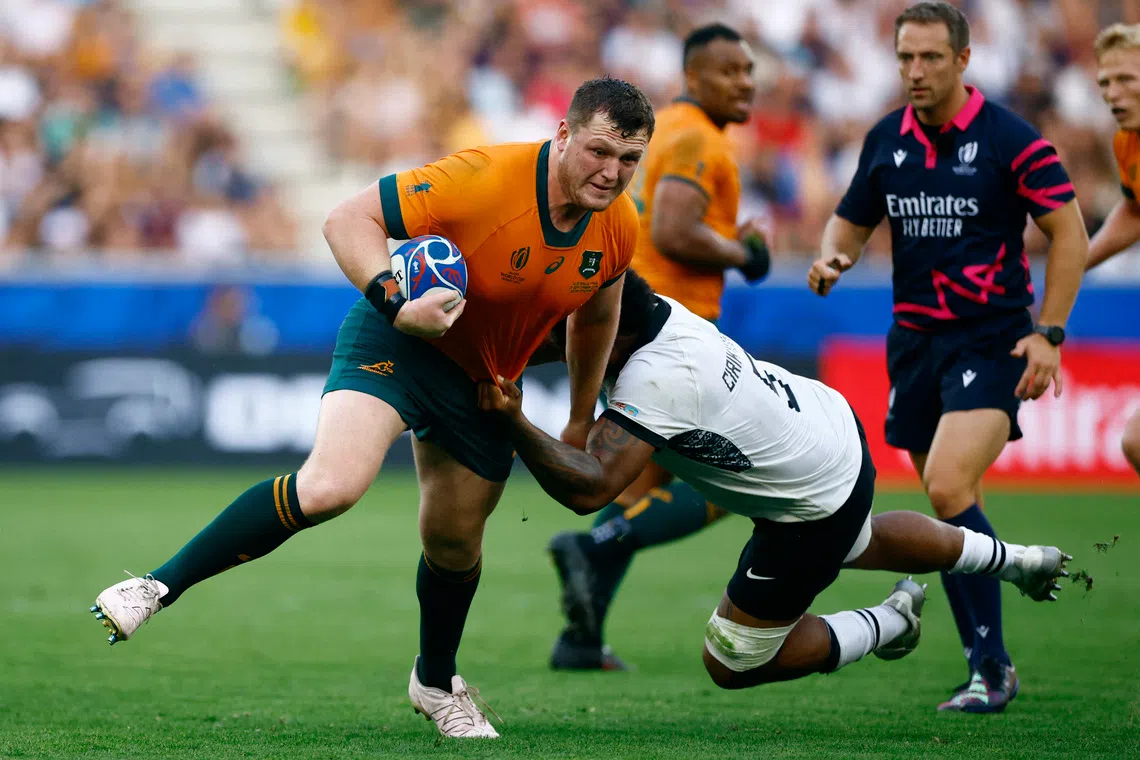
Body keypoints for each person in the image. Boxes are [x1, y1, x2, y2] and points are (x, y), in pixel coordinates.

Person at [90, 77, 655, 739]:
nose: (611, 172)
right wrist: (395, 303)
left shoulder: (619, 224)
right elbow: (347, 219)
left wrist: (581, 419)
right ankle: (155, 587)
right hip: (398, 341)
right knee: (331, 486)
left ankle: (436, 683)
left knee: (454, 544)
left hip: (485, 383)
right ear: (562, 135)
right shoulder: (482, 177)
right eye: (598, 151)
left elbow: (596, 319)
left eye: (629, 160)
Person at [479, 270, 1071, 694]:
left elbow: (588, 491)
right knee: (862, 540)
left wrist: (514, 420)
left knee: (732, 659)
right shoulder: (656, 314)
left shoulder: (657, 380)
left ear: (607, 333)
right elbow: (568, 338)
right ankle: (1017, 559)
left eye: (564, 331)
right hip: (830, 424)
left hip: (809, 505)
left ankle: (892, 622)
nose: (553, 341)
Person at [806, 2, 1088, 712]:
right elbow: (850, 219)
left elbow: (1070, 231)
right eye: (905, 57)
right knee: (956, 513)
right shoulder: (886, 139)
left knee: (948, 487)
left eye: (931, 57)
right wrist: (834, 254)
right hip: (914, 346)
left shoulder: (1010, 139)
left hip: (992, 339)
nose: (915, 71)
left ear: (964, 59)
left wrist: (1050, 332)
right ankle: (988, 667)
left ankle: (1008, 613)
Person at [546, 22, 771, 673]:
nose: (745, 83)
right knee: (737, 472)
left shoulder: (664, 128)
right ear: (693, 76)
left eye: (748, 70)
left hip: (631, 324)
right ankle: (599, 549)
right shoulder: (699, 137)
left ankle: (581, 637)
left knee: (629, 483)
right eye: (730, 71)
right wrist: (745, 254)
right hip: (673, 332)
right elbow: (673, 230)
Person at [1087, 22, 1140, 476]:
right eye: (1105, 82)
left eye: (1126, 79)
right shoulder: (1128, 143)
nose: (1112, 93)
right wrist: (1074, 262)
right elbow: (1135, 210)